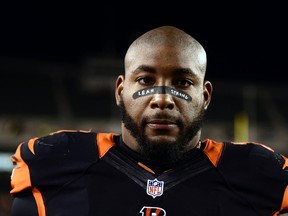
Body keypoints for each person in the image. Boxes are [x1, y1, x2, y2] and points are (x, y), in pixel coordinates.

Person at [9, 25, 288, 216]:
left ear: (205, 95)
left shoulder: (259, 175)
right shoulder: (56, 163)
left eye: (182, 81)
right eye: (145, 80)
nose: (163, 98)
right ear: (121, 91)